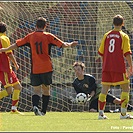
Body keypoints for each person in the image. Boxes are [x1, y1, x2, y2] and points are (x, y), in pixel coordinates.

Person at [0, 17, 78, 116]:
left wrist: (4, 49)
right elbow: (63, 44)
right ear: (45, 26)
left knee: (36, 90)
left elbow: (16, 44)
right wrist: (71, 44)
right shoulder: (48, 36)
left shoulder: (30, 36)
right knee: (46, 89)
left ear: (35, 26)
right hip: (47, 68)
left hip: (35, 68)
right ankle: (43, 111)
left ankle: (35, 106)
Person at [98, 14, 133, 119]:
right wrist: (131, 66)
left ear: (113, 23)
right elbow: (127, 53)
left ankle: (100, 114)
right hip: (118, 67)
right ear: (123, 23)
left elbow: (101, 53)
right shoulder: (124, 36)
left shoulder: (106, 35)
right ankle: (123, 114)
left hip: (107, 67)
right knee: (126, 88)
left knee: (104, 90)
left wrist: (104, 65)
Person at [0, 22, 23, 115]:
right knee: (10, 90)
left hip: (7, 68)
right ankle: (14, 109)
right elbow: (9, 53)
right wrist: (16, 64)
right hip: (4, 68)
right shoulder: (4, 38)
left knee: (18, 87)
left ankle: (14, 109)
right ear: (5, 30)